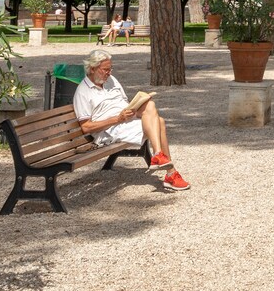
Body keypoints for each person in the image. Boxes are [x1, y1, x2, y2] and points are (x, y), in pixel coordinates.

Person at [72, 49, 189, 191]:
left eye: (110, 69)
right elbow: (86, 127)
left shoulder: (111, 80)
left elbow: (124, 102)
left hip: (125, 120)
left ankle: (158, 156)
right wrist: (117, 119)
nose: (109, 73)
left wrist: (135, 107)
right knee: (160, 122)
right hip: (109, 131)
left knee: (150, 104)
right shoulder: (83, 92)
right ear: (92, 69)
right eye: (105, 70)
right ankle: (170, 173)